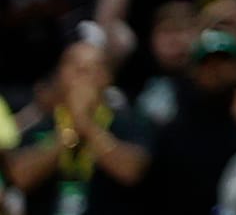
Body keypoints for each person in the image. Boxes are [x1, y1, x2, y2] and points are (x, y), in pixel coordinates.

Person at [3, 40, 154, 215]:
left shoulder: (130, 122)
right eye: (75, 67)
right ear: (60, 74)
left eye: (92, 69)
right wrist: (69, 132)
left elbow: (130, 171)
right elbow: (21, 177)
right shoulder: (40, 126)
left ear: (107, 77)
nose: (82, 76)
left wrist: (86, 124)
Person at [143, 29, 236, 215]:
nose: (215, 71)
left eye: (224, 62)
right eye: (207, 64)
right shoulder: (174, 130)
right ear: (194, 70)